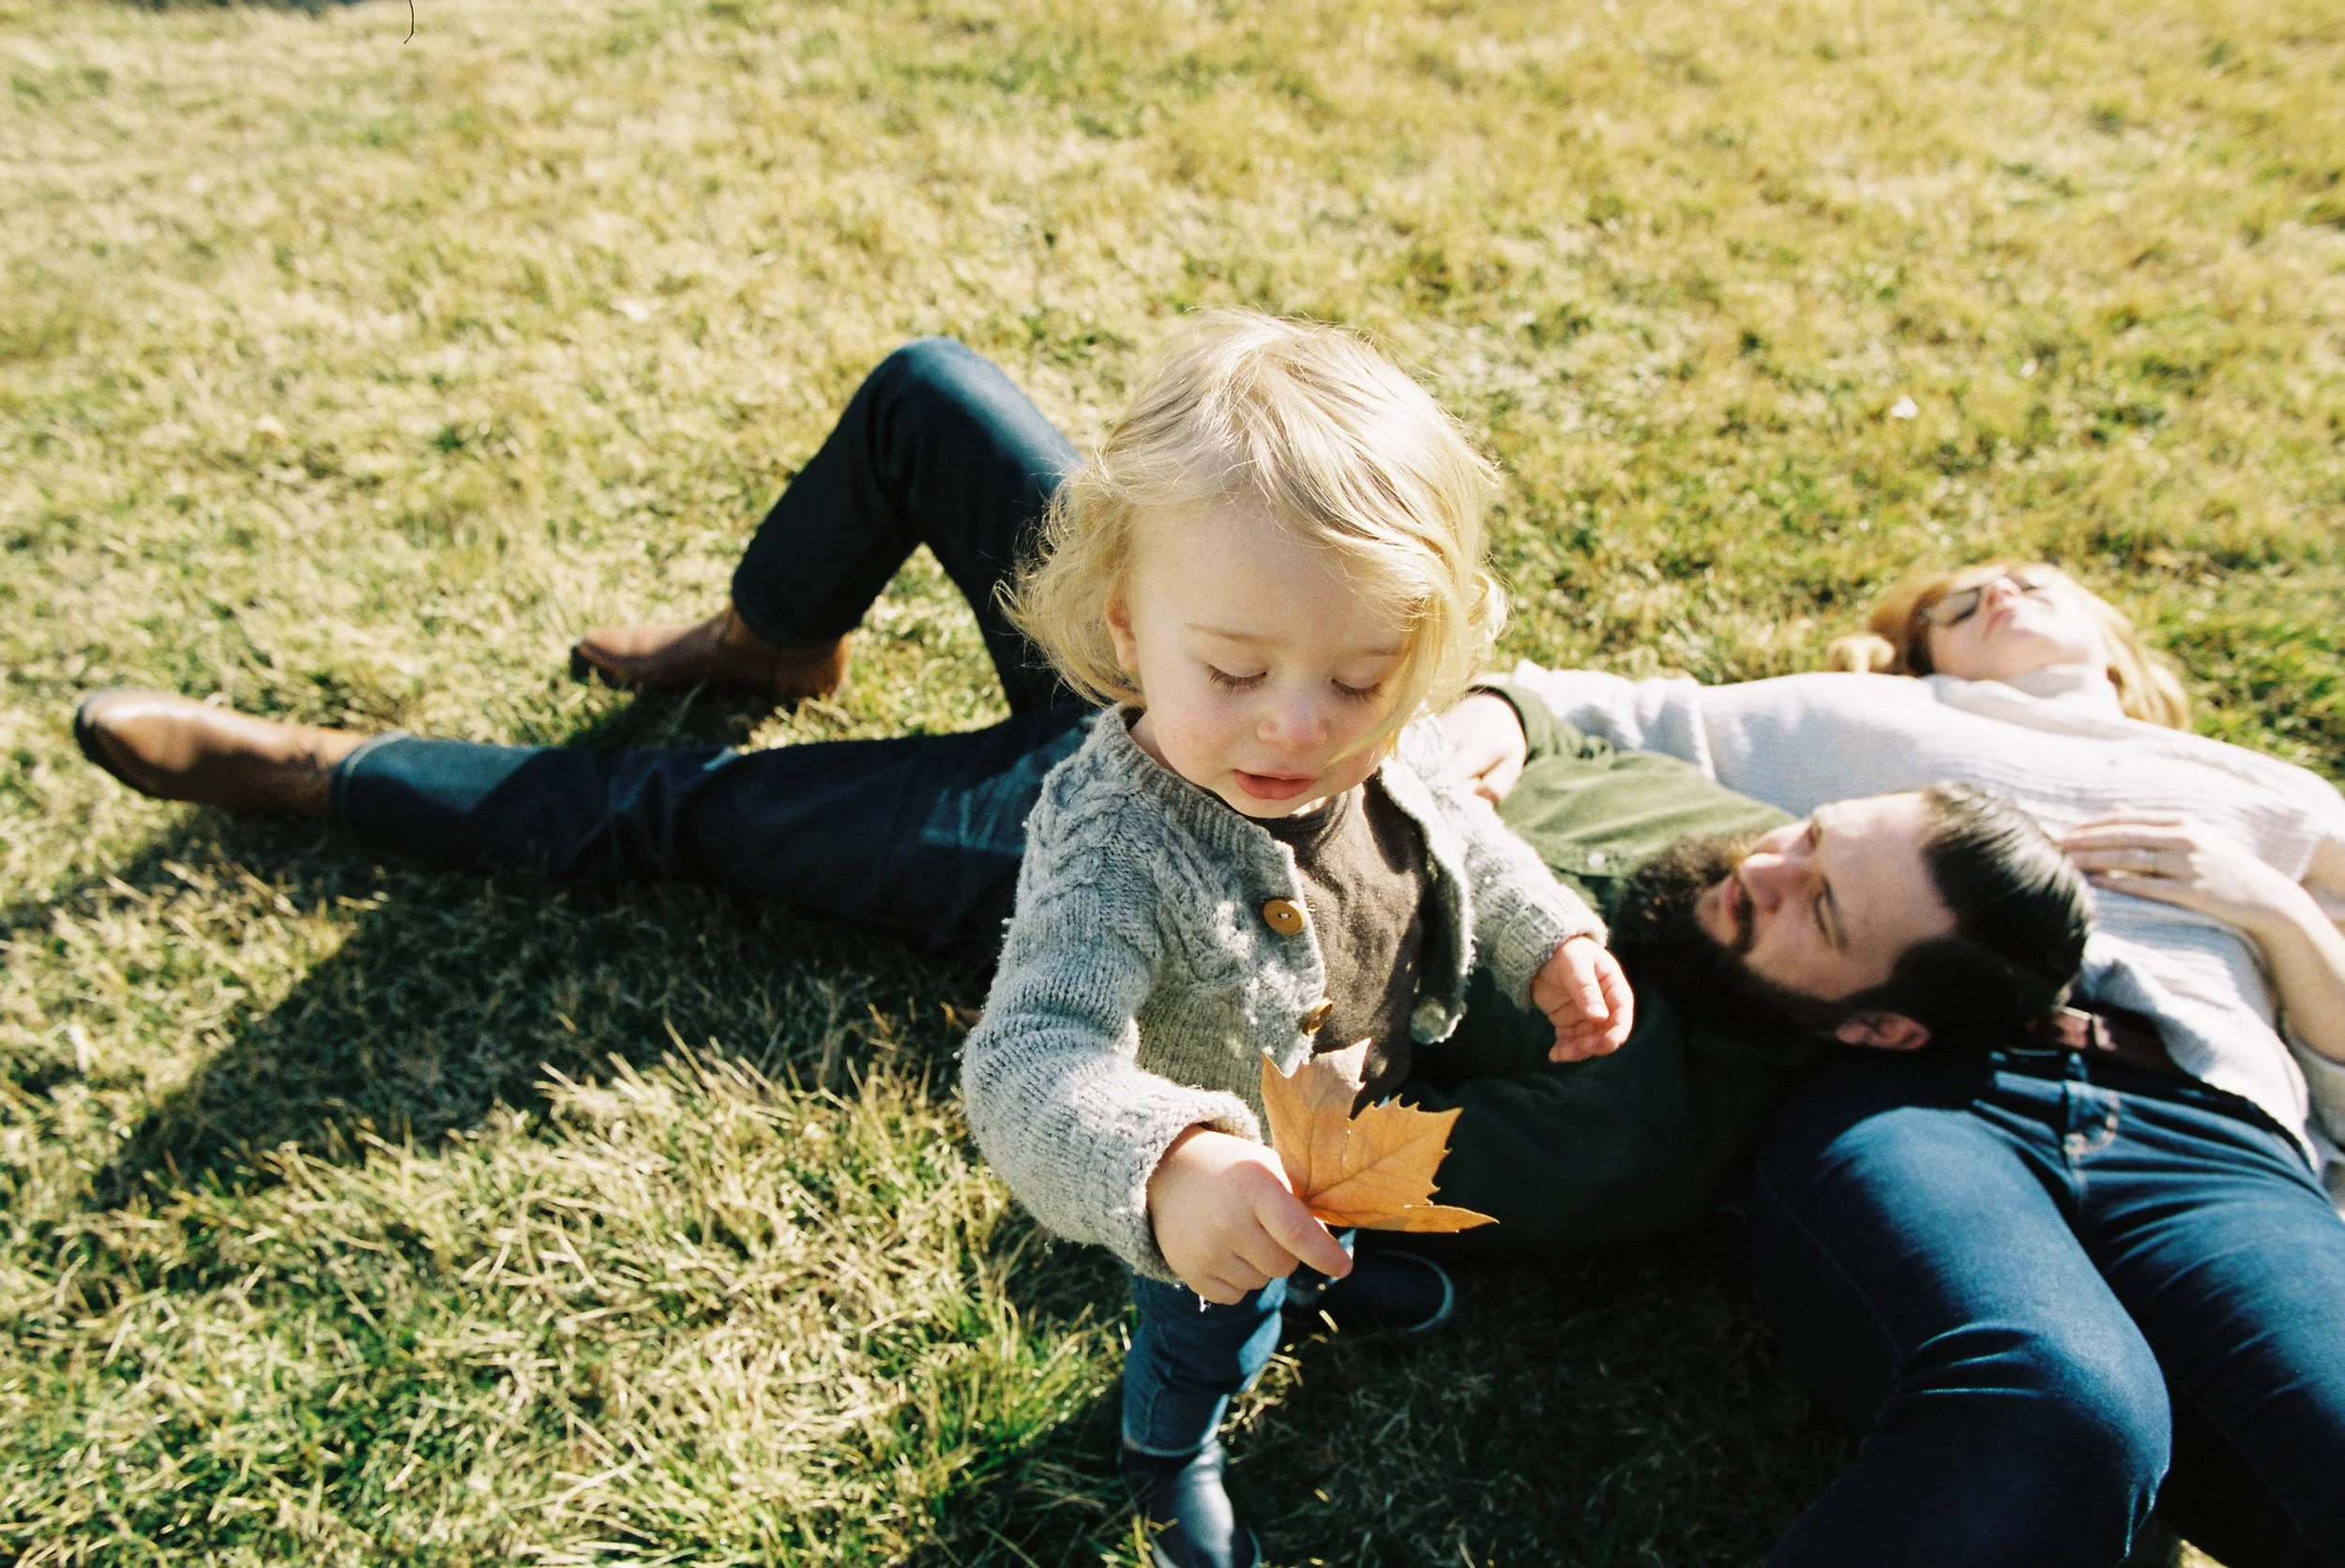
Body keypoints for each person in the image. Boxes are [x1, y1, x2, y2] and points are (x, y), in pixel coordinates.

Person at [72, 336, 2086, 1561]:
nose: (1761, 868)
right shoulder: (1670, 829)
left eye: (1812, 908)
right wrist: (1462, 749)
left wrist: (1197, 1143)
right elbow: (1528, 757)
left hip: (1094, 872)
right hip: (1170, 720)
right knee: (935, 399)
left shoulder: (1645, 1115)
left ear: (1875, 1019)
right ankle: (773, 632)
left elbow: (1232, 1108)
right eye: (1807, 834)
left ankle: (337, 778)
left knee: (681, 818)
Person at [1451, 562, 2345, 1567]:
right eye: (1953, 605)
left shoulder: (2269, 796)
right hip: (1912, 1096)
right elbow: (1580, 707)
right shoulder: (1874, 717)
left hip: (2206, 1123)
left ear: (2112, 631)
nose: (1995, 588)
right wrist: (1481, 728)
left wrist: (2275, 912)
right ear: (1921, 652)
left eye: (2025, 575)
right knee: (2055, 1406)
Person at [951, 311, 1642, 1567]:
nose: (1297, 729)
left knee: (1334, 1199)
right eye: (1231, 674)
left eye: (1361, 680)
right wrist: (1171, 1167)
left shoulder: (1387, 735)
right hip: (1214, 1190)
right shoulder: (1114, 843)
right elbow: (1029, 1057)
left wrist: (1547, 938)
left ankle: (1329, 1262)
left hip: (1352, 1095)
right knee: (1209, 1326)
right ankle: (1169, 1447)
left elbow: (1466, 836)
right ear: (1126, 631)